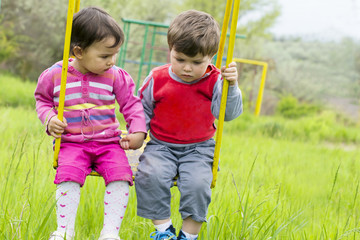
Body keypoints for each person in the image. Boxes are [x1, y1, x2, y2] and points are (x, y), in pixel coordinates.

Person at [34, 7, 146, 240]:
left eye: (115, 54)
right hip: (72, 143)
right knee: (68, 176)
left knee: (121, 176)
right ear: (79, 51)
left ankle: (109, 233)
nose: (112, 61)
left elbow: (131, 104)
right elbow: (42, 100)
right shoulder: (56, 75)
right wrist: (50, 119)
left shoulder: (116, 75)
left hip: (109, 143)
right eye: (105, 56)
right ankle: (65, 230)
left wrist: (138, 130)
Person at [135, 9, 243, 240]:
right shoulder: (157, 78)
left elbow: (228, 114)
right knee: (149, 175)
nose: (186, 68)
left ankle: (188, 235)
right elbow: (141, 108)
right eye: (180, 59)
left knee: (197, 185)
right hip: (160, 146)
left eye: (196, 62)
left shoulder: (216, 81)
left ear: (211, 58)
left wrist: (231, 87)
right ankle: (164, 231)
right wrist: (137, 133)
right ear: (170, 50)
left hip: (199, 149)